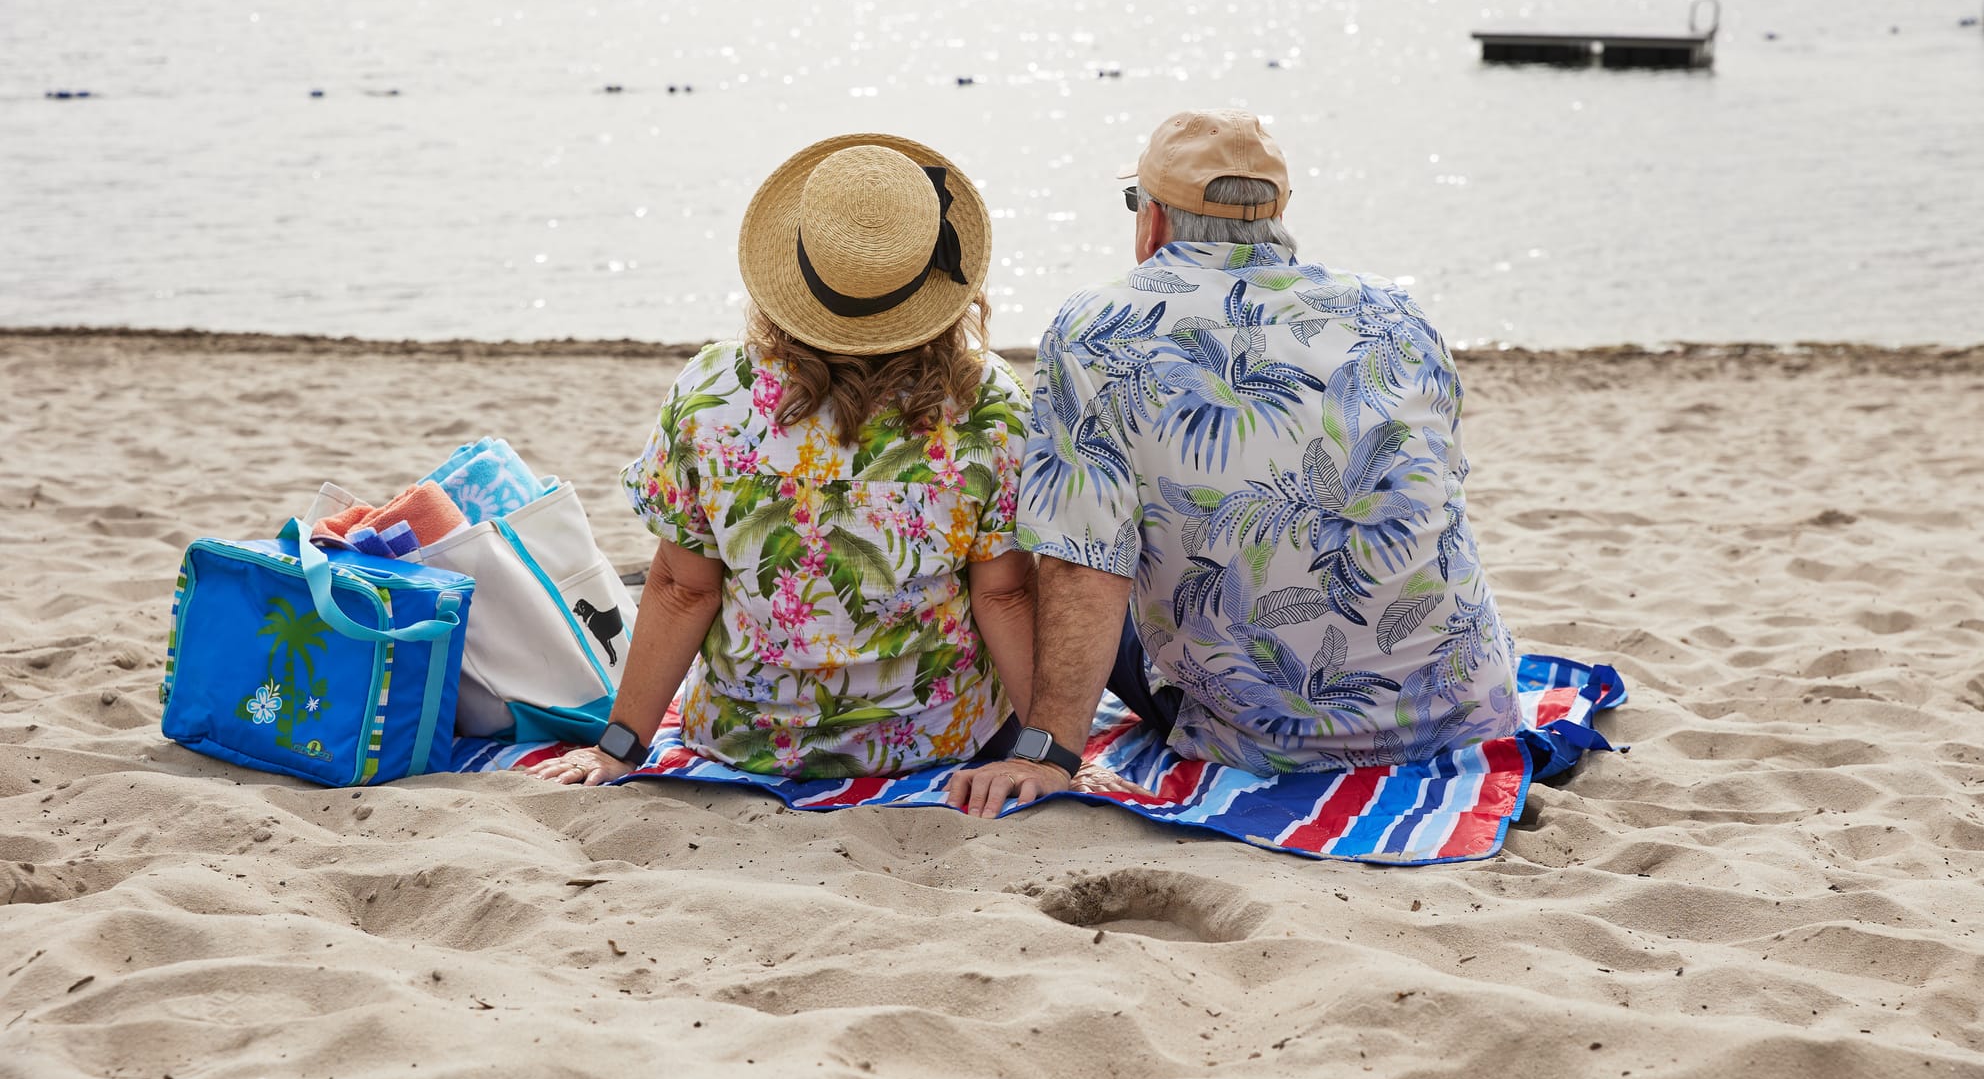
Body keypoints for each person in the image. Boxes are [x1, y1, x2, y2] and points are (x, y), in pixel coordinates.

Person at [948, 108, 1521, 817]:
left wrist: (1053, 749)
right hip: (1466, 712)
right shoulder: (1395, 311)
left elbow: (1080, 562)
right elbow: (1444, 490)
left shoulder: (1098, 329)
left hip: (1266, 742)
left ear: (1151, 221)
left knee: (1064, 543)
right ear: (1279, 215)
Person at [528, 133, 1040, 787]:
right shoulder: (988, 404)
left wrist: (620, 746)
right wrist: (1043, 749)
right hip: (936, 739)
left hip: (745, 739)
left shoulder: (711, 391)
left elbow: (684, 589)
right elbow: (1006, 594)